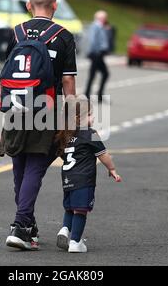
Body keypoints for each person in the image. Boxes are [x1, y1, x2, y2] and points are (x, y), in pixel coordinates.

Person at [0, 0, 77, 250]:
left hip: (14, 107)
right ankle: (21, 226)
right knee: (36, 166)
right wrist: (72, 119)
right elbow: (68, 84)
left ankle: (26, 224)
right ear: (54, 6)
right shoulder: (64, 36)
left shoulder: (16, 33)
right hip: (45, 110)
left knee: (19, 166)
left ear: (29, 6)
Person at [55, 97, 122, 253]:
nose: (93, 118)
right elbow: (103, 154)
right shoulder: (90, 133)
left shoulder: (65, 133)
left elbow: (61, 153)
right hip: (83, 179)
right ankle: (75, 242)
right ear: (79, 118)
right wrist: (112, 168)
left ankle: (64, 229)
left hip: (67, 178)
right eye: (90, 114)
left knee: (70, 208)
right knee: (80, 210)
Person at [85, 10, 111, 103]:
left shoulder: (101, 27)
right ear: (101, 18)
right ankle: (93, 94)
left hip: (99, 54)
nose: (106, 19)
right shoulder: (95, 26)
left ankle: (90, 94)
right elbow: (92, 40)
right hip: (97, 54)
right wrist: (94, 52)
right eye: (104, 18)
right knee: (101, 73)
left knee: (95, 74)